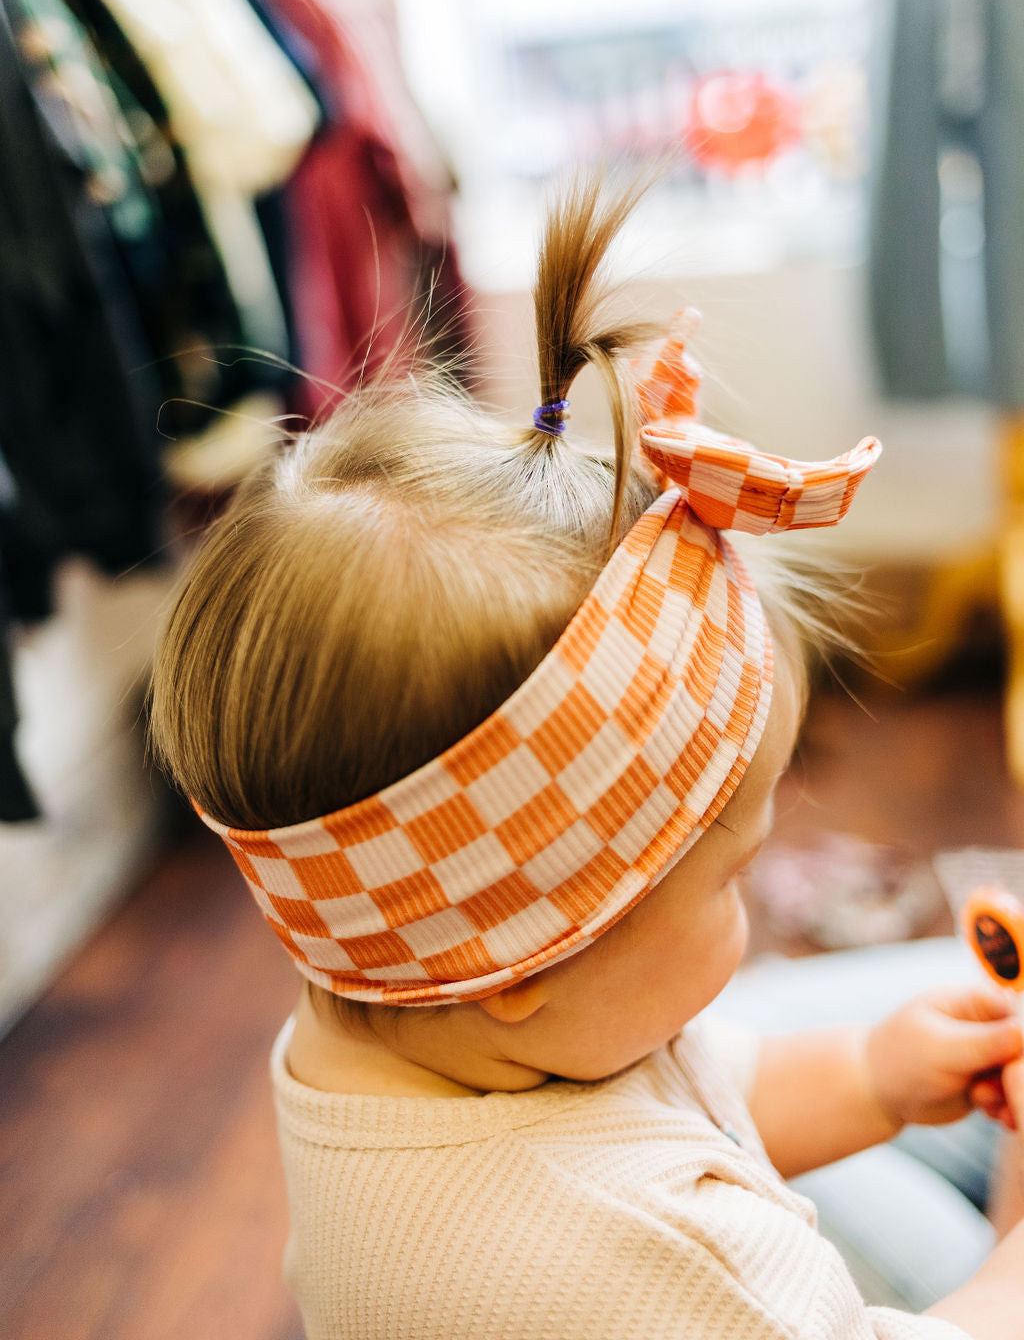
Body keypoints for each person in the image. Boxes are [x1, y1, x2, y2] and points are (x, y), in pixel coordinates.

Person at [150, 175, 1024, 1340]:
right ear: (517, 961)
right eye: (728, 877)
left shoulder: (413, 997)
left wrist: (871, 1074)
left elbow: (701, 1088)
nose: (756, 900)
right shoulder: (655, 1269)